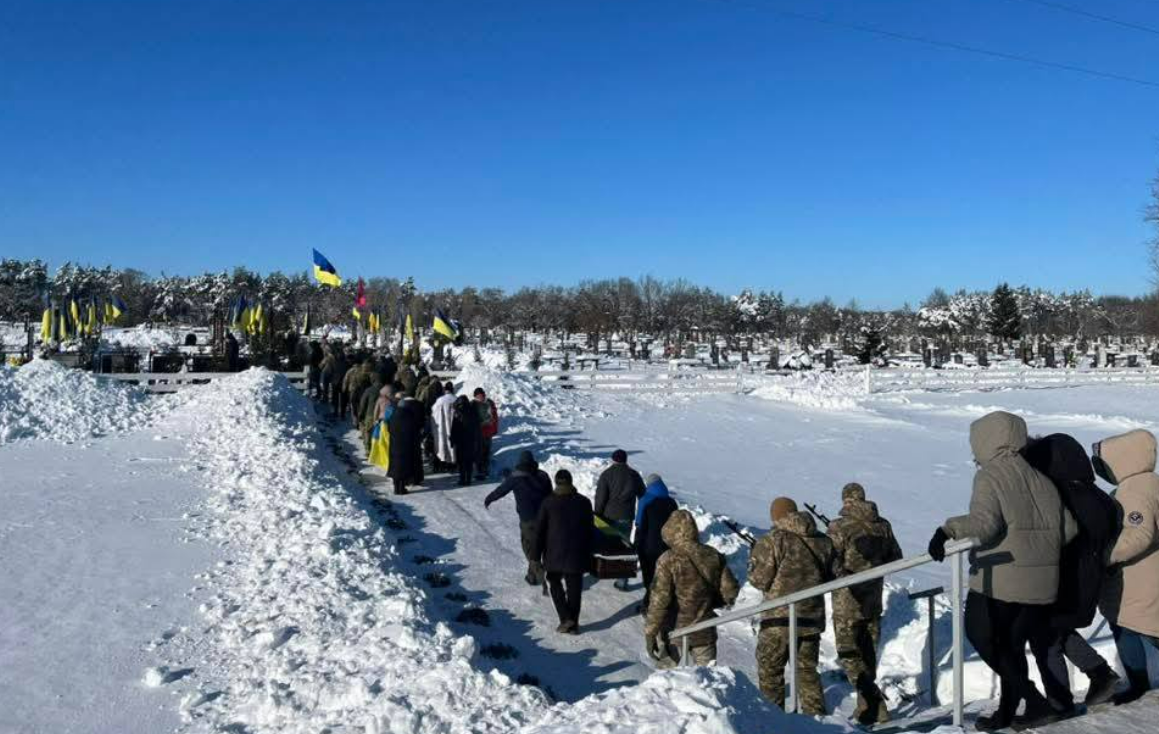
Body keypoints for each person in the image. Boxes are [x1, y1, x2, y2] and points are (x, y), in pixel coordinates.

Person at [929, 411, 1076, 731]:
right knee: (1010, 646)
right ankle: (1008, 713)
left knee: (982, 636)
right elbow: (1069, 530)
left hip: (1001, 578)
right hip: (1043, 582)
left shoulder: (991, 476)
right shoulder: (1041, 479)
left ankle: (1035, 702)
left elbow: (985, 526)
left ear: (986, 440)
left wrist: (946, 530)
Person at [1021, 434, 1121, 712]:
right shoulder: (1096, 494)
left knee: (1044, 635)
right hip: (1091, 577)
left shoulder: (1057, 496)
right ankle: (1099, 673)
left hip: (1063, 577)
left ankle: (1059, 702)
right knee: (1054, 628)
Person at [748, 496, 839, 715]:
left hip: (777, 620)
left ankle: (774, 722)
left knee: (771, 672)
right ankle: (816, 721)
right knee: (807, 670)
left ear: (775, 516)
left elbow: (759, 580)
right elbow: (834, 576)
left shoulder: (773, 540)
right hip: (810, 619)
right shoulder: (823, 541)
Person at [826, 482, 903, 725]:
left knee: (849, 654)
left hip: (847, 602)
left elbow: (829, 561)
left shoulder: (839, 526)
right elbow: (896, 557)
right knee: (867, 655)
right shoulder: (882, 525)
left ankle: (875, 703)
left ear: (845, 500)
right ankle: (866, 709)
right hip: (873, 600)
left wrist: (844, 575)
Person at [1093, 429, 1159, 706]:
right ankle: (1138, 683)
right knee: (1132, 627)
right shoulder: (1149, 483)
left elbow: (1139, 534)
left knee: (1140, 628)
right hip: (1144, 576)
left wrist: (1106, 556)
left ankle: (1138, 683)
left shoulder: (1135, 490)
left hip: (1138, 578)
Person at [644, 509, 739, 667]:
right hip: (705, 629)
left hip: (674, 631)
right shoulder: (712, 555)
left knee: (670, 681)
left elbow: (659, 601)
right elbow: (730, 591)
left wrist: (650, 632)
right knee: (708, 681)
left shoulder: (668, 559)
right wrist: (711, 602)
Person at [534, 469, 594, 634]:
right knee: (575, 589)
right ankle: (573, 625)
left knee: (554, 582)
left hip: (554, 553)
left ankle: (565, 618)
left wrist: (535, 556)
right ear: (571, 481)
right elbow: (590, 529)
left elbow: (539, 531)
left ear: (556, 482)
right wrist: (589, 551)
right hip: (577, 553)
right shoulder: (584, 502)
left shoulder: (548, 502)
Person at [484, 450, 552, 584]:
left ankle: (538, 572)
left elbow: (501, 491)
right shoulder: (543, 475)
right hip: (545, 517)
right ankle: (532, 576)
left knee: (528, 546)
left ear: (520, 462)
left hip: (528, 519)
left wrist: (489, 499)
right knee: (541, 545)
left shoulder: (515, 477)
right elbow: (551, 495)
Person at [594, 449, 646, 590]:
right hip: (626, 516)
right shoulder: (634, 475)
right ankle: (622, 580)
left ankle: (606, 569)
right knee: (624, 547)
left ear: (613, 459)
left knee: (608, 545)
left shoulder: (606, 475)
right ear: (625, 460)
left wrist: (597, 514)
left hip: (608, 516)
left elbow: (600, 497)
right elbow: (642, 494)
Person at [634, 473, 679, 613]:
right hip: (667, 546)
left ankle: (650, 606)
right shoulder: (672, 502)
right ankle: (660, 604)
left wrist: (637, 545)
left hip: (649, 547)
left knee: (649, 577)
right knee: (664, 577)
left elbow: (640, 523)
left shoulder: (646, 500)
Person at [388, 392, 425, 495]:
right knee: (404, 467)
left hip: (394, 445)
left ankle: (396, 488)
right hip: (406, 446)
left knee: (395, 466)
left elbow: (389, 429)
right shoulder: (409, 417)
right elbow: (414, 431)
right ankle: (402, 488)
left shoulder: (393, 416)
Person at [450, 395, 481, 486]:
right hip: (470, 440)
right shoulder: (473, 411)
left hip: (460, 441)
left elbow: (454, 428)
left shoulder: (458, 412)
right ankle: (468, 479)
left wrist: (452, 440)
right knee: (469, 461)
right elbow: (477, 428)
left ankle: (462, 478)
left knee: (461, 461)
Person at [474, 388, 499, 481]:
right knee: (484, 453)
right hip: (485, 433)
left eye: (480, 395)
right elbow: (495, 418)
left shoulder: (475, 404)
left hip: (482, 433)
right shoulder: (489, 403)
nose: (479, 397)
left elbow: (495, 418)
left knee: (481, 453)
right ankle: (483, 471)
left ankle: (481, 472)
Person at [432, 382, 457, 472]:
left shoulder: (439, 401)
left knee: (442, 444)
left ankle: (443, 463)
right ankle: (453, 464)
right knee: (453, 445)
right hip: (453, 427)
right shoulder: (455, 399)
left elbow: (433, 414)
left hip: (441, 428)